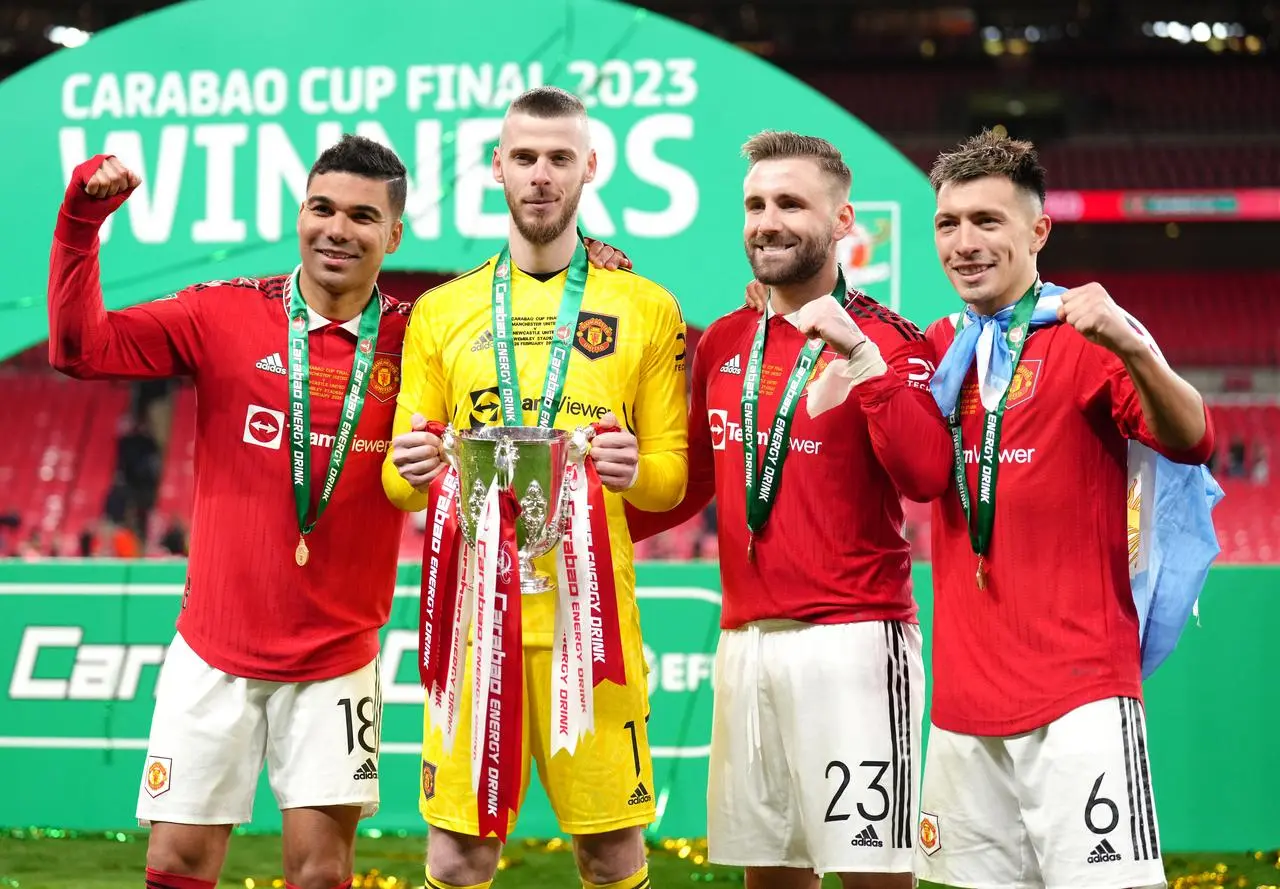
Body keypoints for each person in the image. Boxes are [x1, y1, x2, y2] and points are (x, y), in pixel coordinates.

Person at [47, 135, 630, 889]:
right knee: (178, 862)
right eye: (321, 207)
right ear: (300, 213)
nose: (336, 229)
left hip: (337, 662)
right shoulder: (220, 315)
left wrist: (592, 265)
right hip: (212, 651)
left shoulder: (424, 333)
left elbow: (530, 323)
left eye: (362, 215)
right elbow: (78, 347)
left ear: (394, 234)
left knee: (321, 873)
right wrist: (80, 226)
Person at [628, 131, 953, 889]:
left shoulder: (889, 340)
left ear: (843, 222)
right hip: (746, 646)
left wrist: (863, 365)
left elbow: (927, 473)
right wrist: (576, 518)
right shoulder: (725, 341)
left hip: (855, 642)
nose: (767, 220)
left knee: (872, 877)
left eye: (791, 203)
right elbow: (694, 484)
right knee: (770, 876)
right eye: (755, 204)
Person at [383, 86, 688, 889]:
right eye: (525, 158)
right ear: (498, 169)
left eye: (559, 158)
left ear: (590, 167)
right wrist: (407, 469)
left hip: (592, 627)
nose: (541, 175)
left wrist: (632, 470)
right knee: (457, 855)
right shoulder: (441, 312)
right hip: (473, 625)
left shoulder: (647, 307)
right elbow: (398, 479)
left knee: (611, 850)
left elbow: (670, 479)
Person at [915, 130, 1216, 889]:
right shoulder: (939, 348)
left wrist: (1135, 345)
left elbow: (1195, 437)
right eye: (949, 223)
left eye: (988, 221)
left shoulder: (1087, 334)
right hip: (964, 700)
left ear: (1037, 231)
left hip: (1078, 692)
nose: (965, 242)